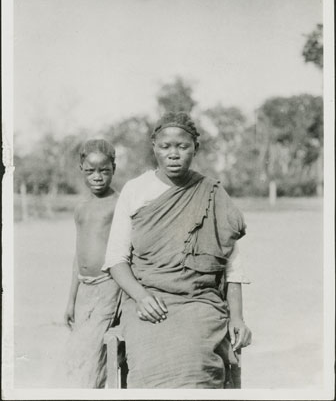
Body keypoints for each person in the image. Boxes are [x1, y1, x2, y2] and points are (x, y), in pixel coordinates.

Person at [102, 112, 252, 389]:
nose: (174, 154)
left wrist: (238, 317)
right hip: (147, 299)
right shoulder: (136, 190)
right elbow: (116, 260)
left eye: (182, 147)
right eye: (165, 147)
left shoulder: (212, 193)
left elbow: (233, 264)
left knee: (196, 359)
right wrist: (142, 297)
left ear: (196, 147)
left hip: (200, 301)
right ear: (154, 147)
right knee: (150, 362)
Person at [57, 139, 120, 388]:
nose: (97, 177)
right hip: (84, 291)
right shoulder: (80, 208)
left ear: (114, 168)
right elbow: (78, 255)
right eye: (90, 170)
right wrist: (71, 300)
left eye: (104, 170)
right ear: (81, 167)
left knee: (94, 352)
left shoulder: (119, 204)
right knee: (79, 354)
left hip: (108, 286)